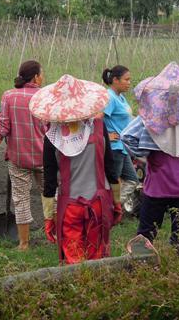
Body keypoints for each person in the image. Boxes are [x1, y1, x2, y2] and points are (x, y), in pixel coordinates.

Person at [29, 74, 121, 264]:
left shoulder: (52, 136)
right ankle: (97, 291)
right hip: (98, 202)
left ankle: (77, 291)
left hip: (70, 207)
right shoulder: (99, 127)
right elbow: (110, 168)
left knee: (73, 260)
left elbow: (50, 180)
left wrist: (48, 217)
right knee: (97, 259)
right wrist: (117, 201)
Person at [121, 62, 179, 250]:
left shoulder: (151, 116)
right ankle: (178, 268)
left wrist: (144, 154)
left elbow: (126, 137)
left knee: (146, 231)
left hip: (159, 180)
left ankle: (140, 266)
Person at [0, 60, 46, 251]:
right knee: (50, 195)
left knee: (21, 199)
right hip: (44, 158)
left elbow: (1, 129)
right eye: (42, 74)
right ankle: (55, 234)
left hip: (18, 159)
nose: (43, 77)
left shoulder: (9, 96)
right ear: (35, 77)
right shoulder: (44, 97)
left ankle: (24, 243)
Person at [101, 65, 140, 203]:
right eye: (126, 79)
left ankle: (114, 208)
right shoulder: (109, 97)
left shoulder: (120, 97)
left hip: (122, 147)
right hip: (114, 148)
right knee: (112, 182)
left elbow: (126, 117)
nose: (129, 83)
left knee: (131, 180)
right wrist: (105, 135)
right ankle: (109, 211)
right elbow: (97, 118)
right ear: (116, 80)